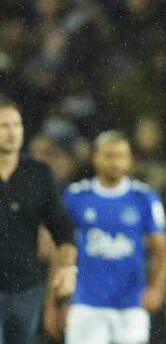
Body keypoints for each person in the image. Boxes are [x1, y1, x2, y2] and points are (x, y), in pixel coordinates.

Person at [57, 130, 166, 344]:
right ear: (95, 158)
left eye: (121, 155)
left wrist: (156, 287)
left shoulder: (144, 198)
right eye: (109, 155)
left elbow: (161, 252)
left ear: (130, 160)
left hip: (131, 304)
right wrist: (59, 300)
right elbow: (60, 248)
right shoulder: (76, 196)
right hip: (86, 303)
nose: (115, 162)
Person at [0, 96, 77, 344]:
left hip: (27, 287)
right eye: (3, 126)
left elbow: (62, 228)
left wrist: (67, 265)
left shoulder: (39, 173)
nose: (12, 133)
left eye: (16, 125)